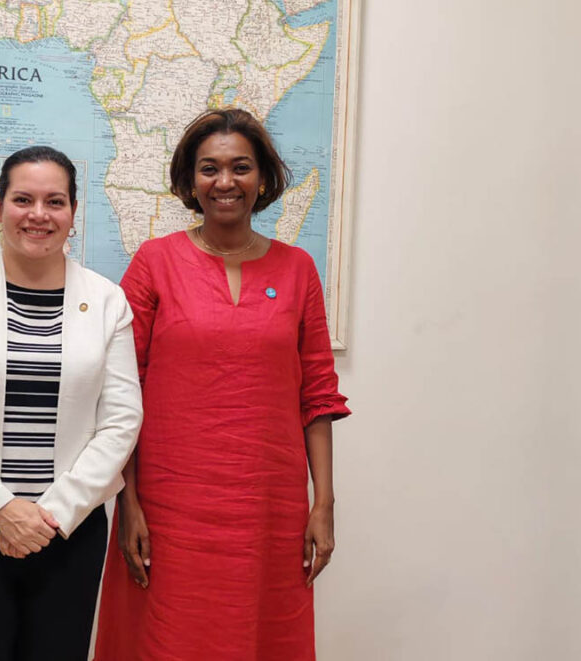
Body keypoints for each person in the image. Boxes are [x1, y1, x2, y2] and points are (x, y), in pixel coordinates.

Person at [93, 109, 351, 661]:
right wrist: (128, 501)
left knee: (260, 638)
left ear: (263, 178)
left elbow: (317, 396)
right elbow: (122, 391)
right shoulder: (154, 262)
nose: (225, 181)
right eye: (209, 168)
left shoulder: (298, 269)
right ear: (190, 181)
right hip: (169, 505)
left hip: (269, 508)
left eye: (241, 167)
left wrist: (323, 503)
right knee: (166, 640)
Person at [0, 145, 142, 661]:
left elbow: (121, 421)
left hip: (69, 533)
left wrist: (49, 515)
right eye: (23, 199)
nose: (39, 214)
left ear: (73, 213)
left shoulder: (108, 301)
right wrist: (1, 508)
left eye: (55, 201)